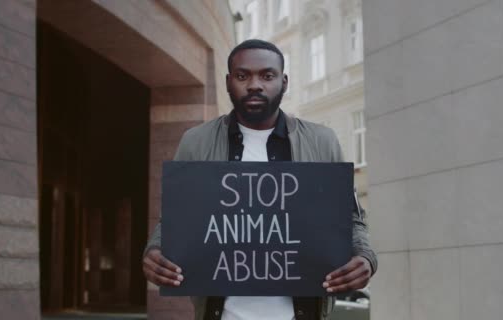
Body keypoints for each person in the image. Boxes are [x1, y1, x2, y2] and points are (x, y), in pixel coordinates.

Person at [142, 39, 377, 320]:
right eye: (243, 76)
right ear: (228, 82)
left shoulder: (321, 141)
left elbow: (350, 218)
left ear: (284, 81)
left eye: (267, 75)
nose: (255, 85)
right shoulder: (196, 142)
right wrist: (154, 250)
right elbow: (176, 219)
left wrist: (365, 257)